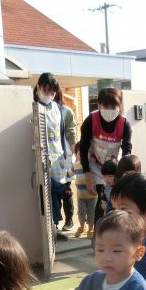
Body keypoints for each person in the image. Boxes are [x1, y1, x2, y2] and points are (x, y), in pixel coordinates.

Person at [79, 87, 132, 207]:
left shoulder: (124, 124)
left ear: (119, 106)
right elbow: (83, 148)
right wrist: (87, 176)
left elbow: (126, 150)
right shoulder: (91, 120)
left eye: (113, 107)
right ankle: (98, 225)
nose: (109, 110)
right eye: (105, 106)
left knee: (114, 200)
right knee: (100, 202)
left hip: (112, 168)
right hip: (94, 164)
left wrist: (123, 175)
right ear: (99, 105)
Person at [33, 72, 70, 242]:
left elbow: (61, 134)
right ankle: (51, 231)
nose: (49, 95)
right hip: (43, 160)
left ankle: (55, 227)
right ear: (39, 87)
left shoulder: (57, 107)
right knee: (48, 196)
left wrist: (66, 156)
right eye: (46, 90)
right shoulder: (33, 107)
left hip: (58, 159)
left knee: (60, 193)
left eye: (52, 92)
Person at [55, 88, 78, 231]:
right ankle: (55, 222)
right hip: (52, 158)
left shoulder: (66, 111)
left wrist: (76, 154)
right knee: (53, 190)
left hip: (66, 156)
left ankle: (69, 220)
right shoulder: (43, 111)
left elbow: (72, 133)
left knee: (66, 189)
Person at [73, 142, 96, 239]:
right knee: (81, 213)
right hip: (80, 196)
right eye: (79, 153)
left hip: (92, 196)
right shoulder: (75, 165)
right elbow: (68, 174)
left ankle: (91, 228)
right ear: (76, 155)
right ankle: (82, 227)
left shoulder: (92, 166)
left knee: (91, 213)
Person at [94, 159, 117, 235]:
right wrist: (102, 205)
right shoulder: (104, 188)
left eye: (110, 176)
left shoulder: (119, 189)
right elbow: (101, 201)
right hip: (106, 218)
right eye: (104, 176)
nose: (107, 179)